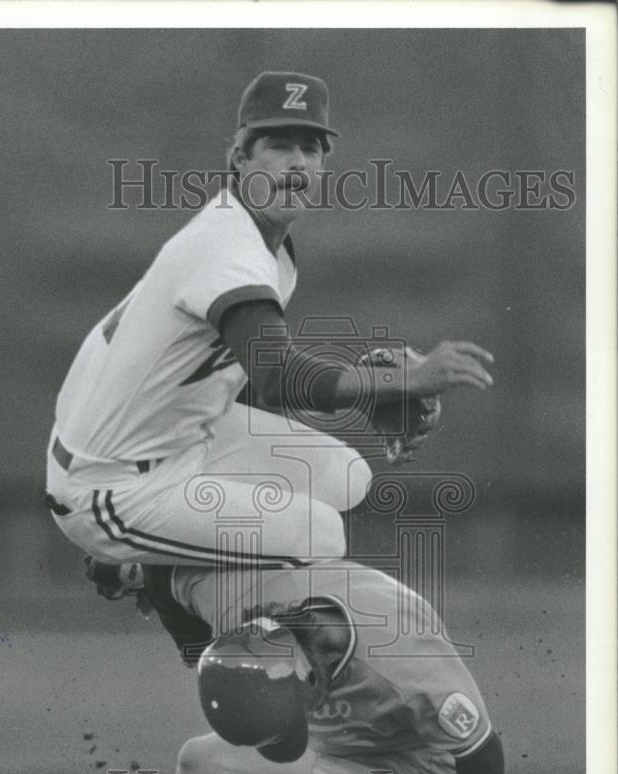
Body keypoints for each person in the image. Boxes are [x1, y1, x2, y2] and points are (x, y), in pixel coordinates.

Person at [46, 71, 493, 567]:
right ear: (239, 159)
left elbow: (239, 384)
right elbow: (278, 378)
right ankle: (163, 586)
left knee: (346, 476)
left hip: (174, 438)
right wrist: (400, 379)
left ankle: (162, 559)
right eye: (279, 145)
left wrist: (368, 392)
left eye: (312, 148)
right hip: (108, 483)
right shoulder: (227, 245)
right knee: (316, 537)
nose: (298, 162)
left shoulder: (265, 249)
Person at [64, 560, 505, 774]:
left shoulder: (402, 664)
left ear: (307, 681)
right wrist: (138, 566)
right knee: (202, 761)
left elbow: (481, 751)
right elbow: (189, 561)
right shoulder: (250, 611)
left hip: (411, 770)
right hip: (337, 738)